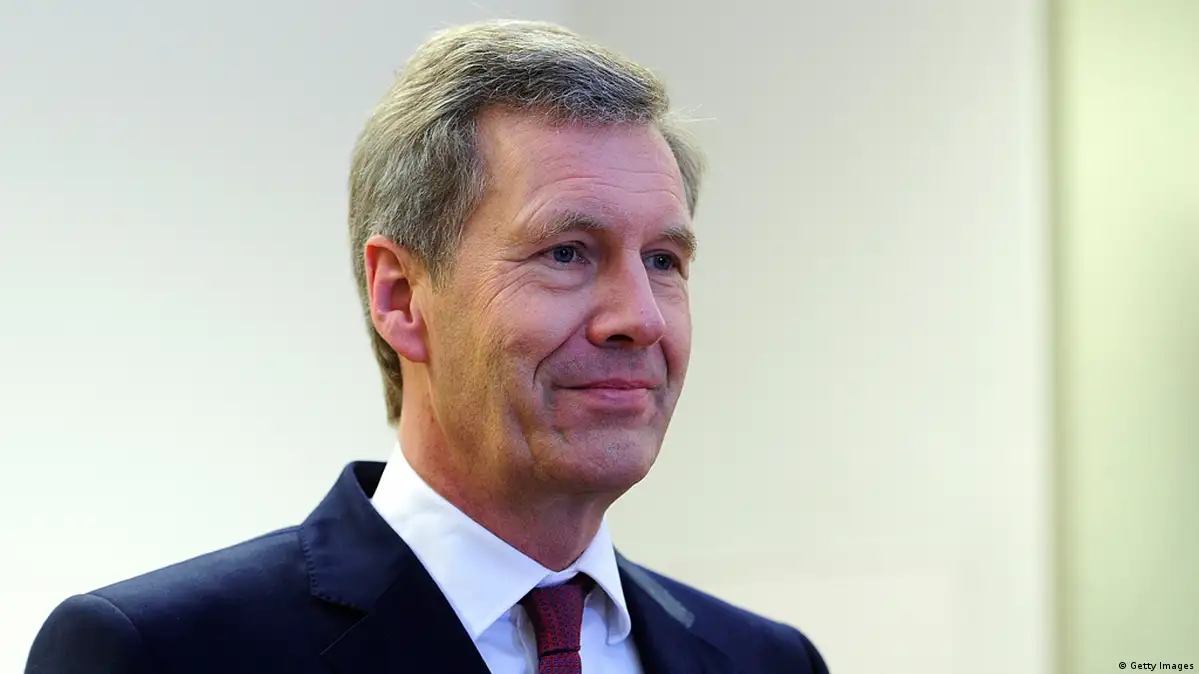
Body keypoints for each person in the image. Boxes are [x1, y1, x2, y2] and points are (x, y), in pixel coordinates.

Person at [25, 19, 828, 674]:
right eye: (567, 253)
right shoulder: (163, 653)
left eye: (663, 261)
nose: (640, 319)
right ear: (401, 297)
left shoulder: (767, 661)